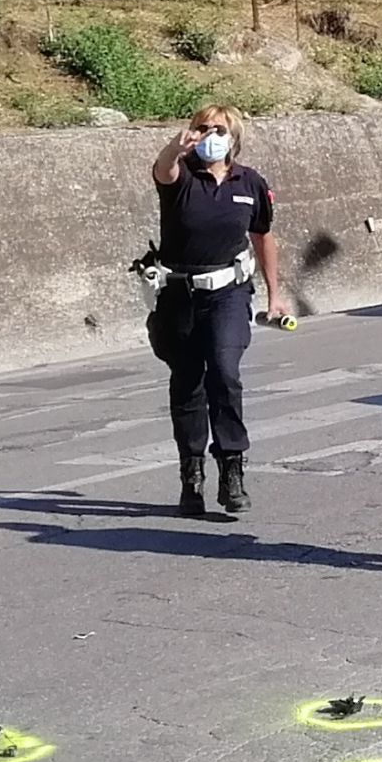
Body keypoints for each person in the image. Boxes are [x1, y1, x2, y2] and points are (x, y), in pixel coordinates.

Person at [148, 104, 288, 520]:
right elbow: (162, 168)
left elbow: (263, 236)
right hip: (179, 294)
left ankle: (232, 469)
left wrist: (273, 295)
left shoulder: (250, 182)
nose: (210, 134)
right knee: (188, 382)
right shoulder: (181, 175)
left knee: (225, 373)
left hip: (228, 293)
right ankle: (191, 475)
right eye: (202, 127)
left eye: (219, 128)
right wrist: (177, 147)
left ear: (234, 136)